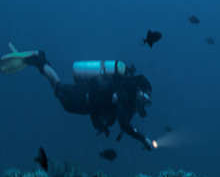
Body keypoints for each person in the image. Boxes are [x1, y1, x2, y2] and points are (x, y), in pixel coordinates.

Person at [1, 43, 155, 150]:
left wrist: (103, 125)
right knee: (58, 88)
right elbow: (124, 124)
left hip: (87, 99)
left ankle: (39, 61)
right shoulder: (125, 94)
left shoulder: (128, 95)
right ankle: (39, 59)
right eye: (146, 97)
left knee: (59, 91)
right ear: (140, 91)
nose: (146, 101)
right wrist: (143, 138)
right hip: (84, 96)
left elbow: (116, 118)